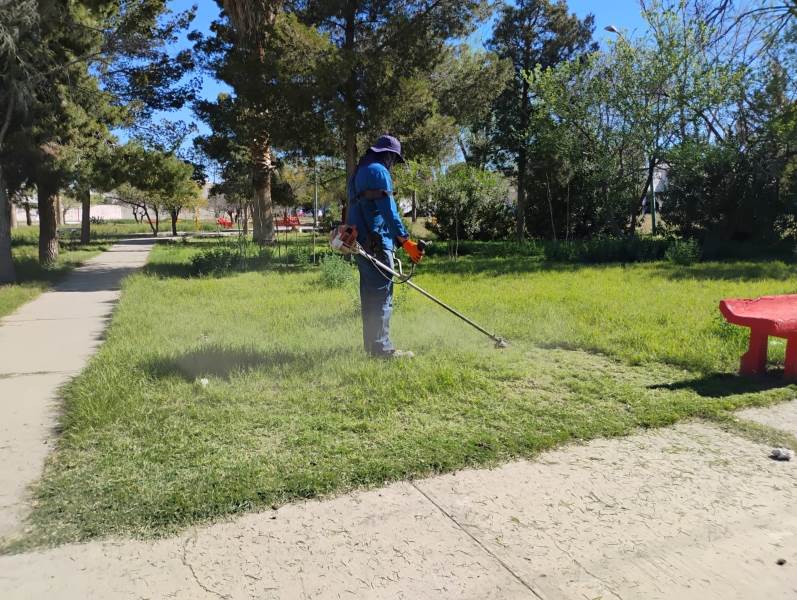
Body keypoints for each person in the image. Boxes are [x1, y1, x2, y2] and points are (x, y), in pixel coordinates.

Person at [346, 134, 424, 359]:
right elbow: (389, 211)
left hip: (361, 245)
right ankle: (383, 349)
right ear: (388, 155)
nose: (393, 165)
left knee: (369, 297)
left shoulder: (359, 173)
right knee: (382, 297)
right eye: (394, 160)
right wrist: (405, 241)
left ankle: (372, 346)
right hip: (377, 244)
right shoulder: (379, 171)